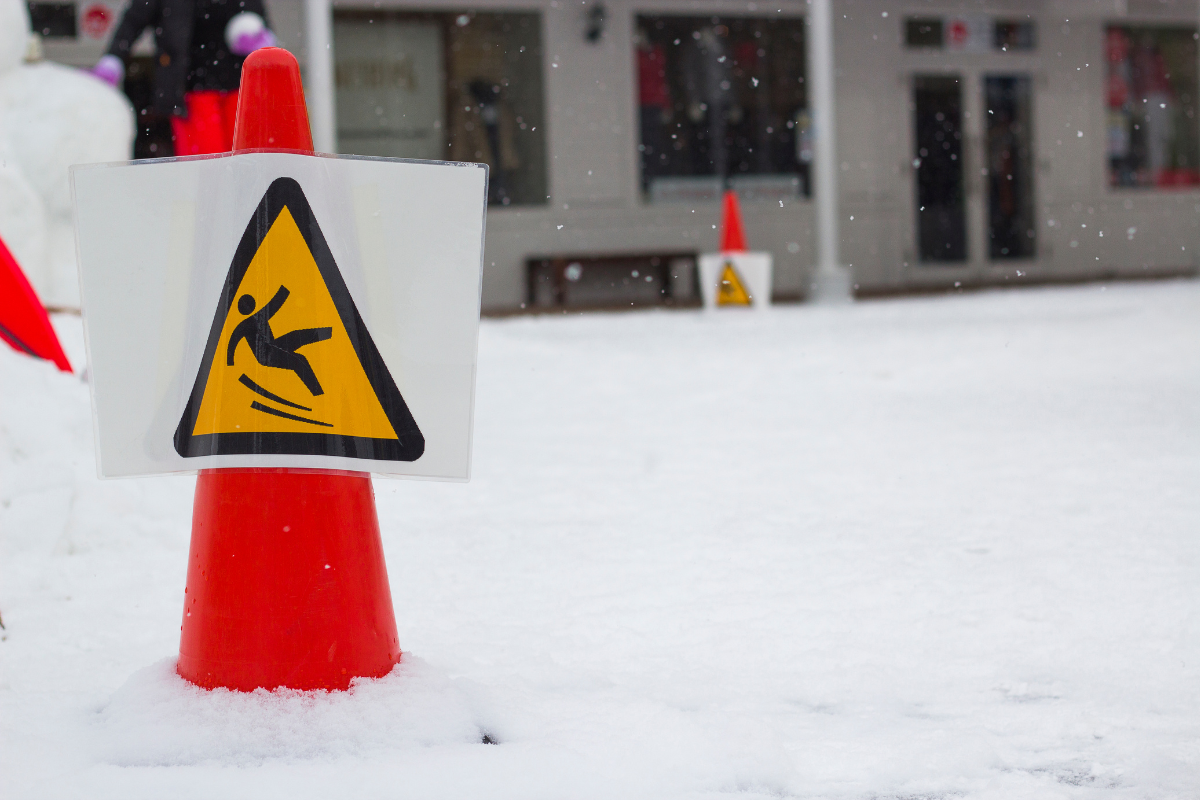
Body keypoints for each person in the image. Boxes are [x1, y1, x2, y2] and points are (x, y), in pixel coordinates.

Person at [90, 0, 276, 156]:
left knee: (249, 159)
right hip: (191, 90)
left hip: (242, 87)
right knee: (209, 165)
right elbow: (133, 21)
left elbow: (257, 15)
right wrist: (114, 58)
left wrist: (260, 38)